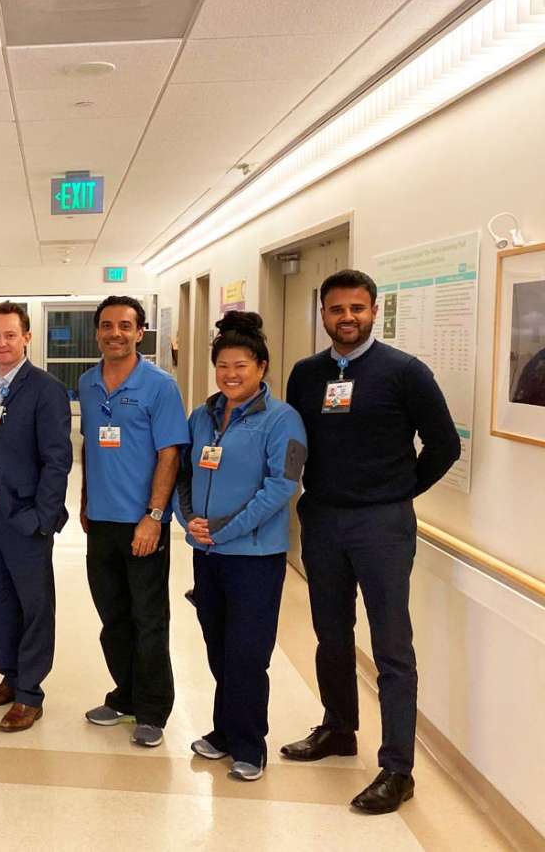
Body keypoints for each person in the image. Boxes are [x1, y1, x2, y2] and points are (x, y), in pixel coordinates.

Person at [282, 270, 460, 813]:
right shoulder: (307, 375)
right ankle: (339, 728)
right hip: (324, 521)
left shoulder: (405, 372)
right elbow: (295, 443)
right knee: (330, 635)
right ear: (323, 314)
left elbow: (444, 445)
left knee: (390, 648)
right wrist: (289, 490)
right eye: (337, 309)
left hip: (382, 525)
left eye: (357, 308)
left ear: (374, 311)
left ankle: (397, 768)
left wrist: (398, 491)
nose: (347, 318)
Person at [176, 312, 307, 781]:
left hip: (254, 557)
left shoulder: (283, 419)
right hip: (206, 553)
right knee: (216, 645)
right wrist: (188, 521)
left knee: (247, 652)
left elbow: (281, 488)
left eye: (242, 366)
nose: (231, 374)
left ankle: (250, 743)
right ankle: (224, 731)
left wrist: (223, 529)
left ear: (262, 368)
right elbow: (183, 474)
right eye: (223, 366)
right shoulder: (202, 415)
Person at [78, 295, 188, 748]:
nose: (115, 333)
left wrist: (155, 517)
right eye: (107, 325)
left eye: (125, 326)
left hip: (142, 522)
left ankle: (153, 709)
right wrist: (84, 499)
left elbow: (170, 454)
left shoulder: (159, 385)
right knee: (112, 617)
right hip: (101, 522)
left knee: (148, 618)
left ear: (140, 332)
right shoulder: (87, 382)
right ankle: (124, 694)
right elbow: (88, 444)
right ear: (98, 332)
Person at [0, 301, 71, 732]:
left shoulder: (44, 389)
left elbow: (57, 460)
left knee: (34, 606)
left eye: (10, 335)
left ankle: (31, 694)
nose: (2, 343)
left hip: (25, 516)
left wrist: (42, 519)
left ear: (26, 337)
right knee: (0, 602)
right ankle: (10, 678)